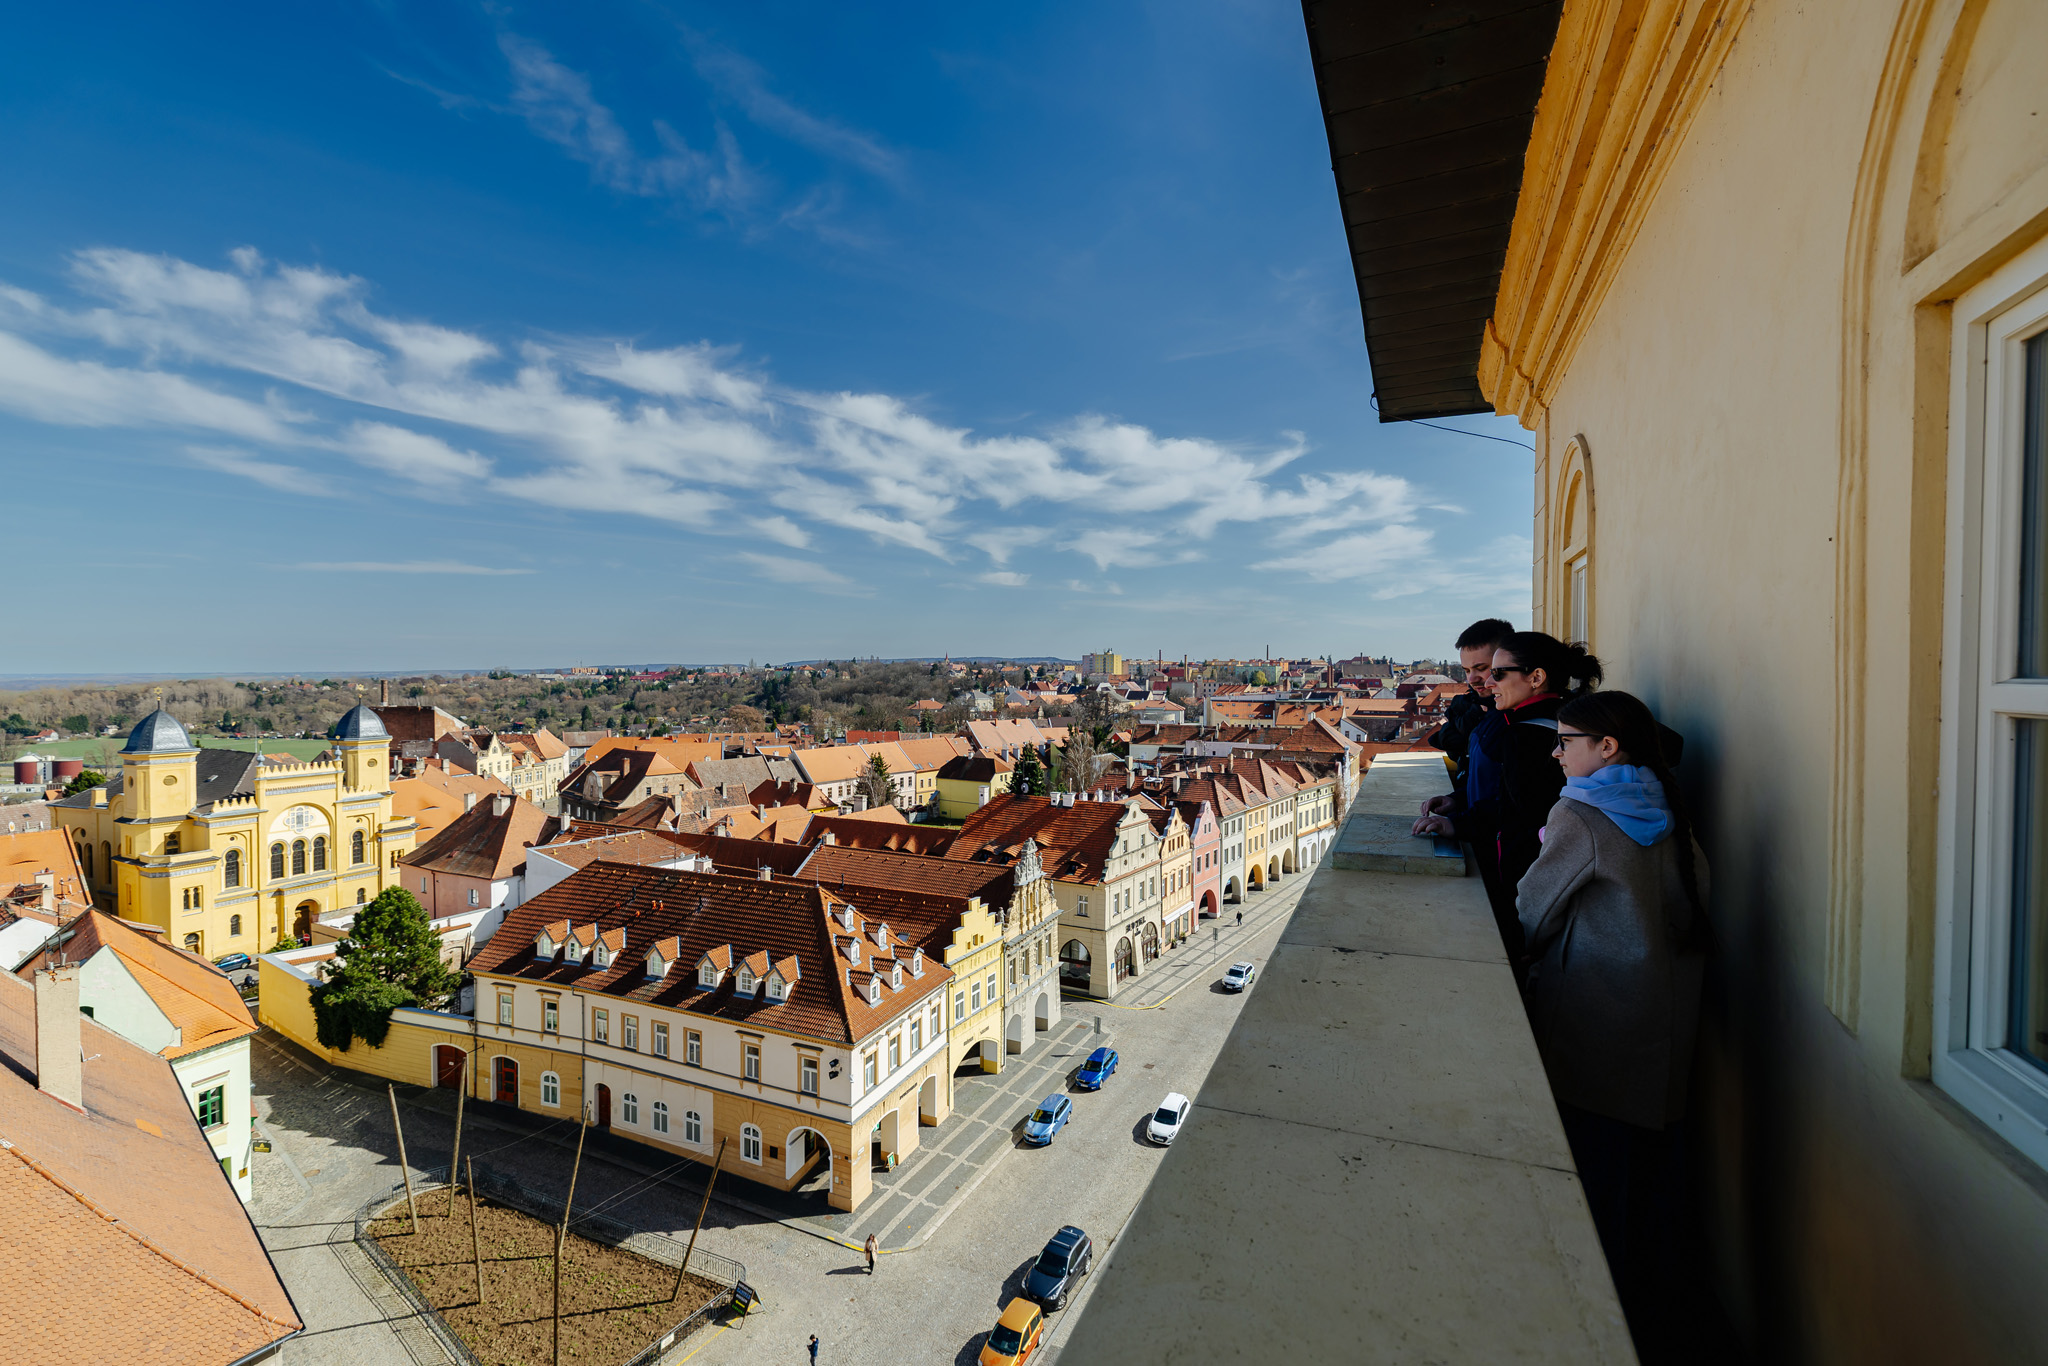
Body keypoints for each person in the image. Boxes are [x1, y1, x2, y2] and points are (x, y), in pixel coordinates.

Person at [1515, 689, 1708, 1346]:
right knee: (1653, 1179)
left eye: (1565, 740)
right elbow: (1696, 898)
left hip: (1597, 1014)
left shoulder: (1581, 812)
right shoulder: (1664, 800)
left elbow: (1535, 908)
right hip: (1667, 1014)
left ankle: (1596, 1325)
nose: (1555, 752)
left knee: (1594, 1179)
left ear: (1607, 747)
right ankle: (1652, 1317)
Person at [1419, 630, 1602, 961]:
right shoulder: (1563, 719)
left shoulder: (1525, 734)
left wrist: (1457, 824)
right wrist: (1458, 800)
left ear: (1536, 678)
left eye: (1498, 673)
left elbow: (1519, 816)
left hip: (1523, 877)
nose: (1488, 683)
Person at [1418, 618, 1514, 824]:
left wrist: (1459, 825)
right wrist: (1456, 801)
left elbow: (1512, 805)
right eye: (1467, 670)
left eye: (1481, 668)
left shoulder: (1516, 720)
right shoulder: (1481, 709)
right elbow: (1487, 786)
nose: (1472, 679)